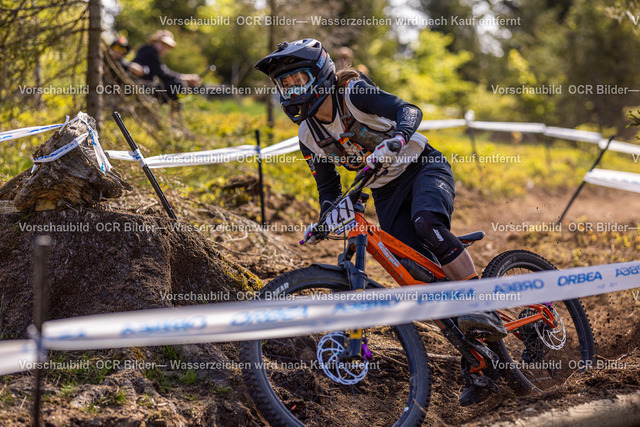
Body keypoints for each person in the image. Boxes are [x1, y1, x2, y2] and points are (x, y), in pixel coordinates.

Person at [255, 38, 507, 406]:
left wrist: (398, 138)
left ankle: (483, 307)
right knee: (412, 273)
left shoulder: (354, 94)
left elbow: (408, 110)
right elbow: (328, 187)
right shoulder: (308, 136)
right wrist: (329, 214)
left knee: (426, 224)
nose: (291, 91)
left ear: (321, 75)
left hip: (423, 167)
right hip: (384, 190)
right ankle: (479, 360)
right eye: (285, 85)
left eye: (298, 80)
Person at [131, 30, 201, 110]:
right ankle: (175, 116)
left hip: (142, 88)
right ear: (155, 41)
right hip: (140, 88)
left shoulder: (147, 51)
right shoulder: (150, 52)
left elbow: (163, 71)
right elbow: (163, 74)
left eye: (167, 46)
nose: (165, 48)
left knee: (177, 83)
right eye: (163, 44)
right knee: (177, 84)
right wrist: (186, 78)